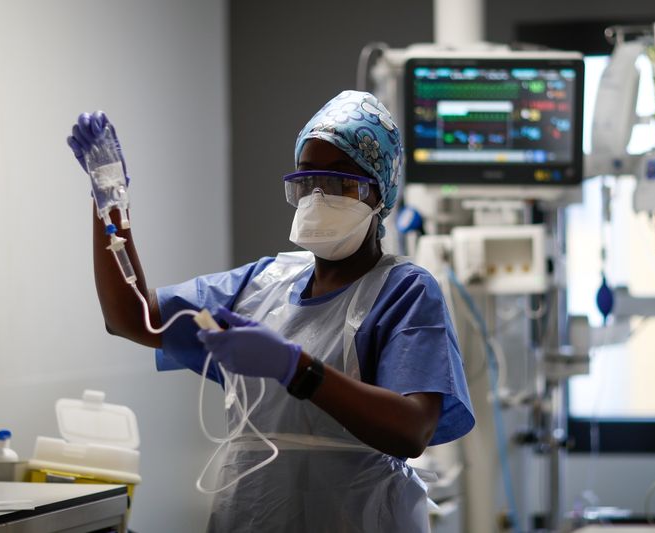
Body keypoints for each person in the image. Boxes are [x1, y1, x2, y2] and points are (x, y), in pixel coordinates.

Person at [67, 90, 475, 532]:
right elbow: (130, 317)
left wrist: (293, 366)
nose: (319, 197)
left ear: (381, 192)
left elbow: (411, 430)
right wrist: (110, 203)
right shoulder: (261, 285)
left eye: (341, 182)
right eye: (306, 181)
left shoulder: (405, 292)